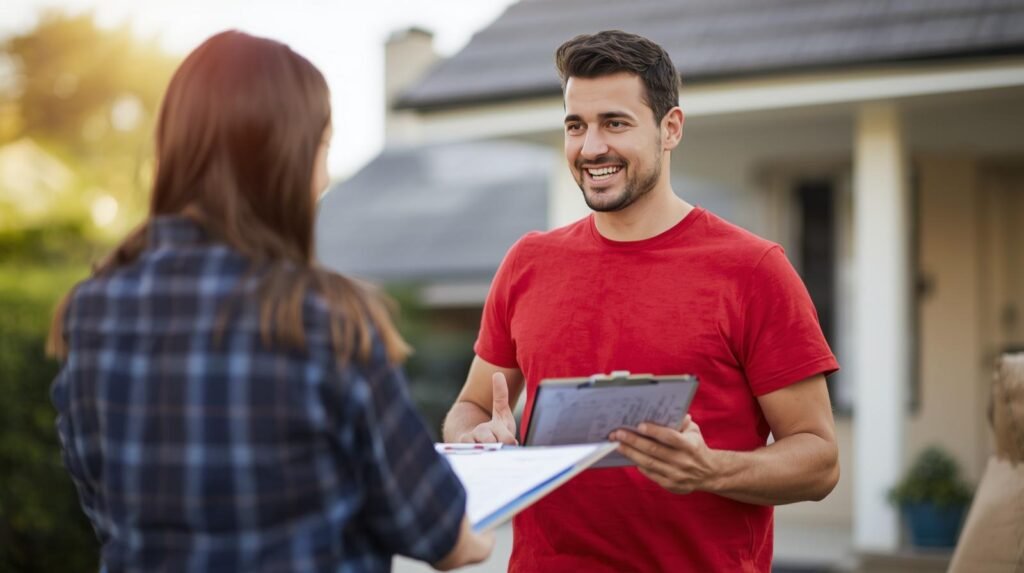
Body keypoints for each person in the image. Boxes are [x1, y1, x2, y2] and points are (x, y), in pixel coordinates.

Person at [48, 31, 492, 572]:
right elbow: (440, 533)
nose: (324, 175)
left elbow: (104, 508)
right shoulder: (323, 316)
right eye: (322, 148)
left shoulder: (90, 310)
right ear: (286, 155)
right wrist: (480, 539)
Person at [442, 30, 840, 572]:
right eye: (575, 126)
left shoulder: (752, 270)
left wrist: (711, 471)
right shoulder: (528, 262)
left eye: (615, 123)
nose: (591, 148)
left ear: (670, 128)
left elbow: (819, 459)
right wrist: (478, 439)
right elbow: (468, 407)